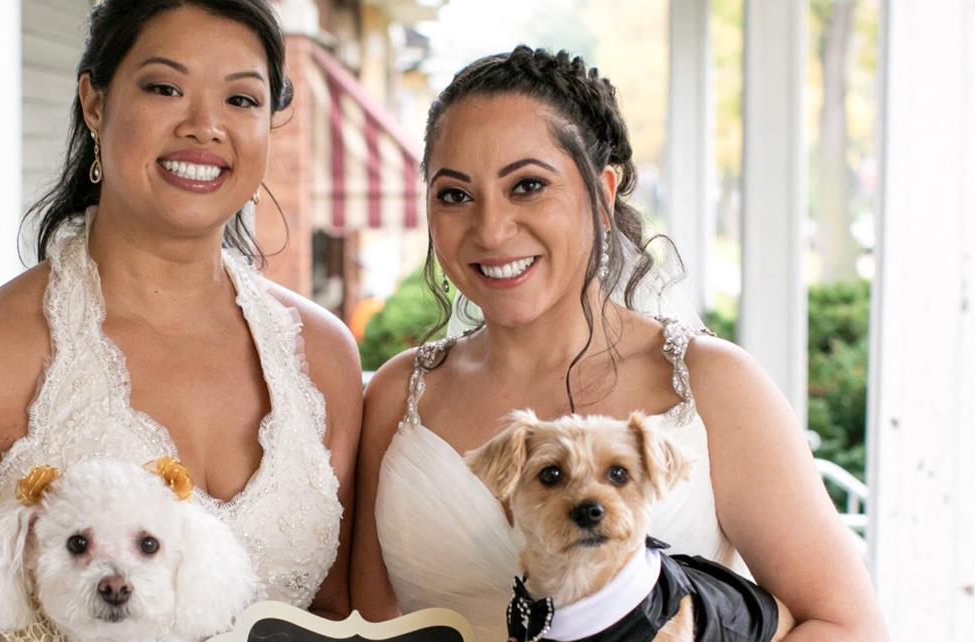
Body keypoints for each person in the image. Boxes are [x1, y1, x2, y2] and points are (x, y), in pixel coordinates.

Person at [352, 47, 886, 640]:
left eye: (527, 185)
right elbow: (365, 622)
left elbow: (846, 626)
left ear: (602, 194)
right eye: (454, 194)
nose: (491, 229)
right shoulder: (399, 394)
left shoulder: (710, 384)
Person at [0, 0, 360, 621]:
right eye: (165, 88)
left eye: (241, 100)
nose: (206, 126)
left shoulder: (321, 357)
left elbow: (336, 614)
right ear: (95, 104)